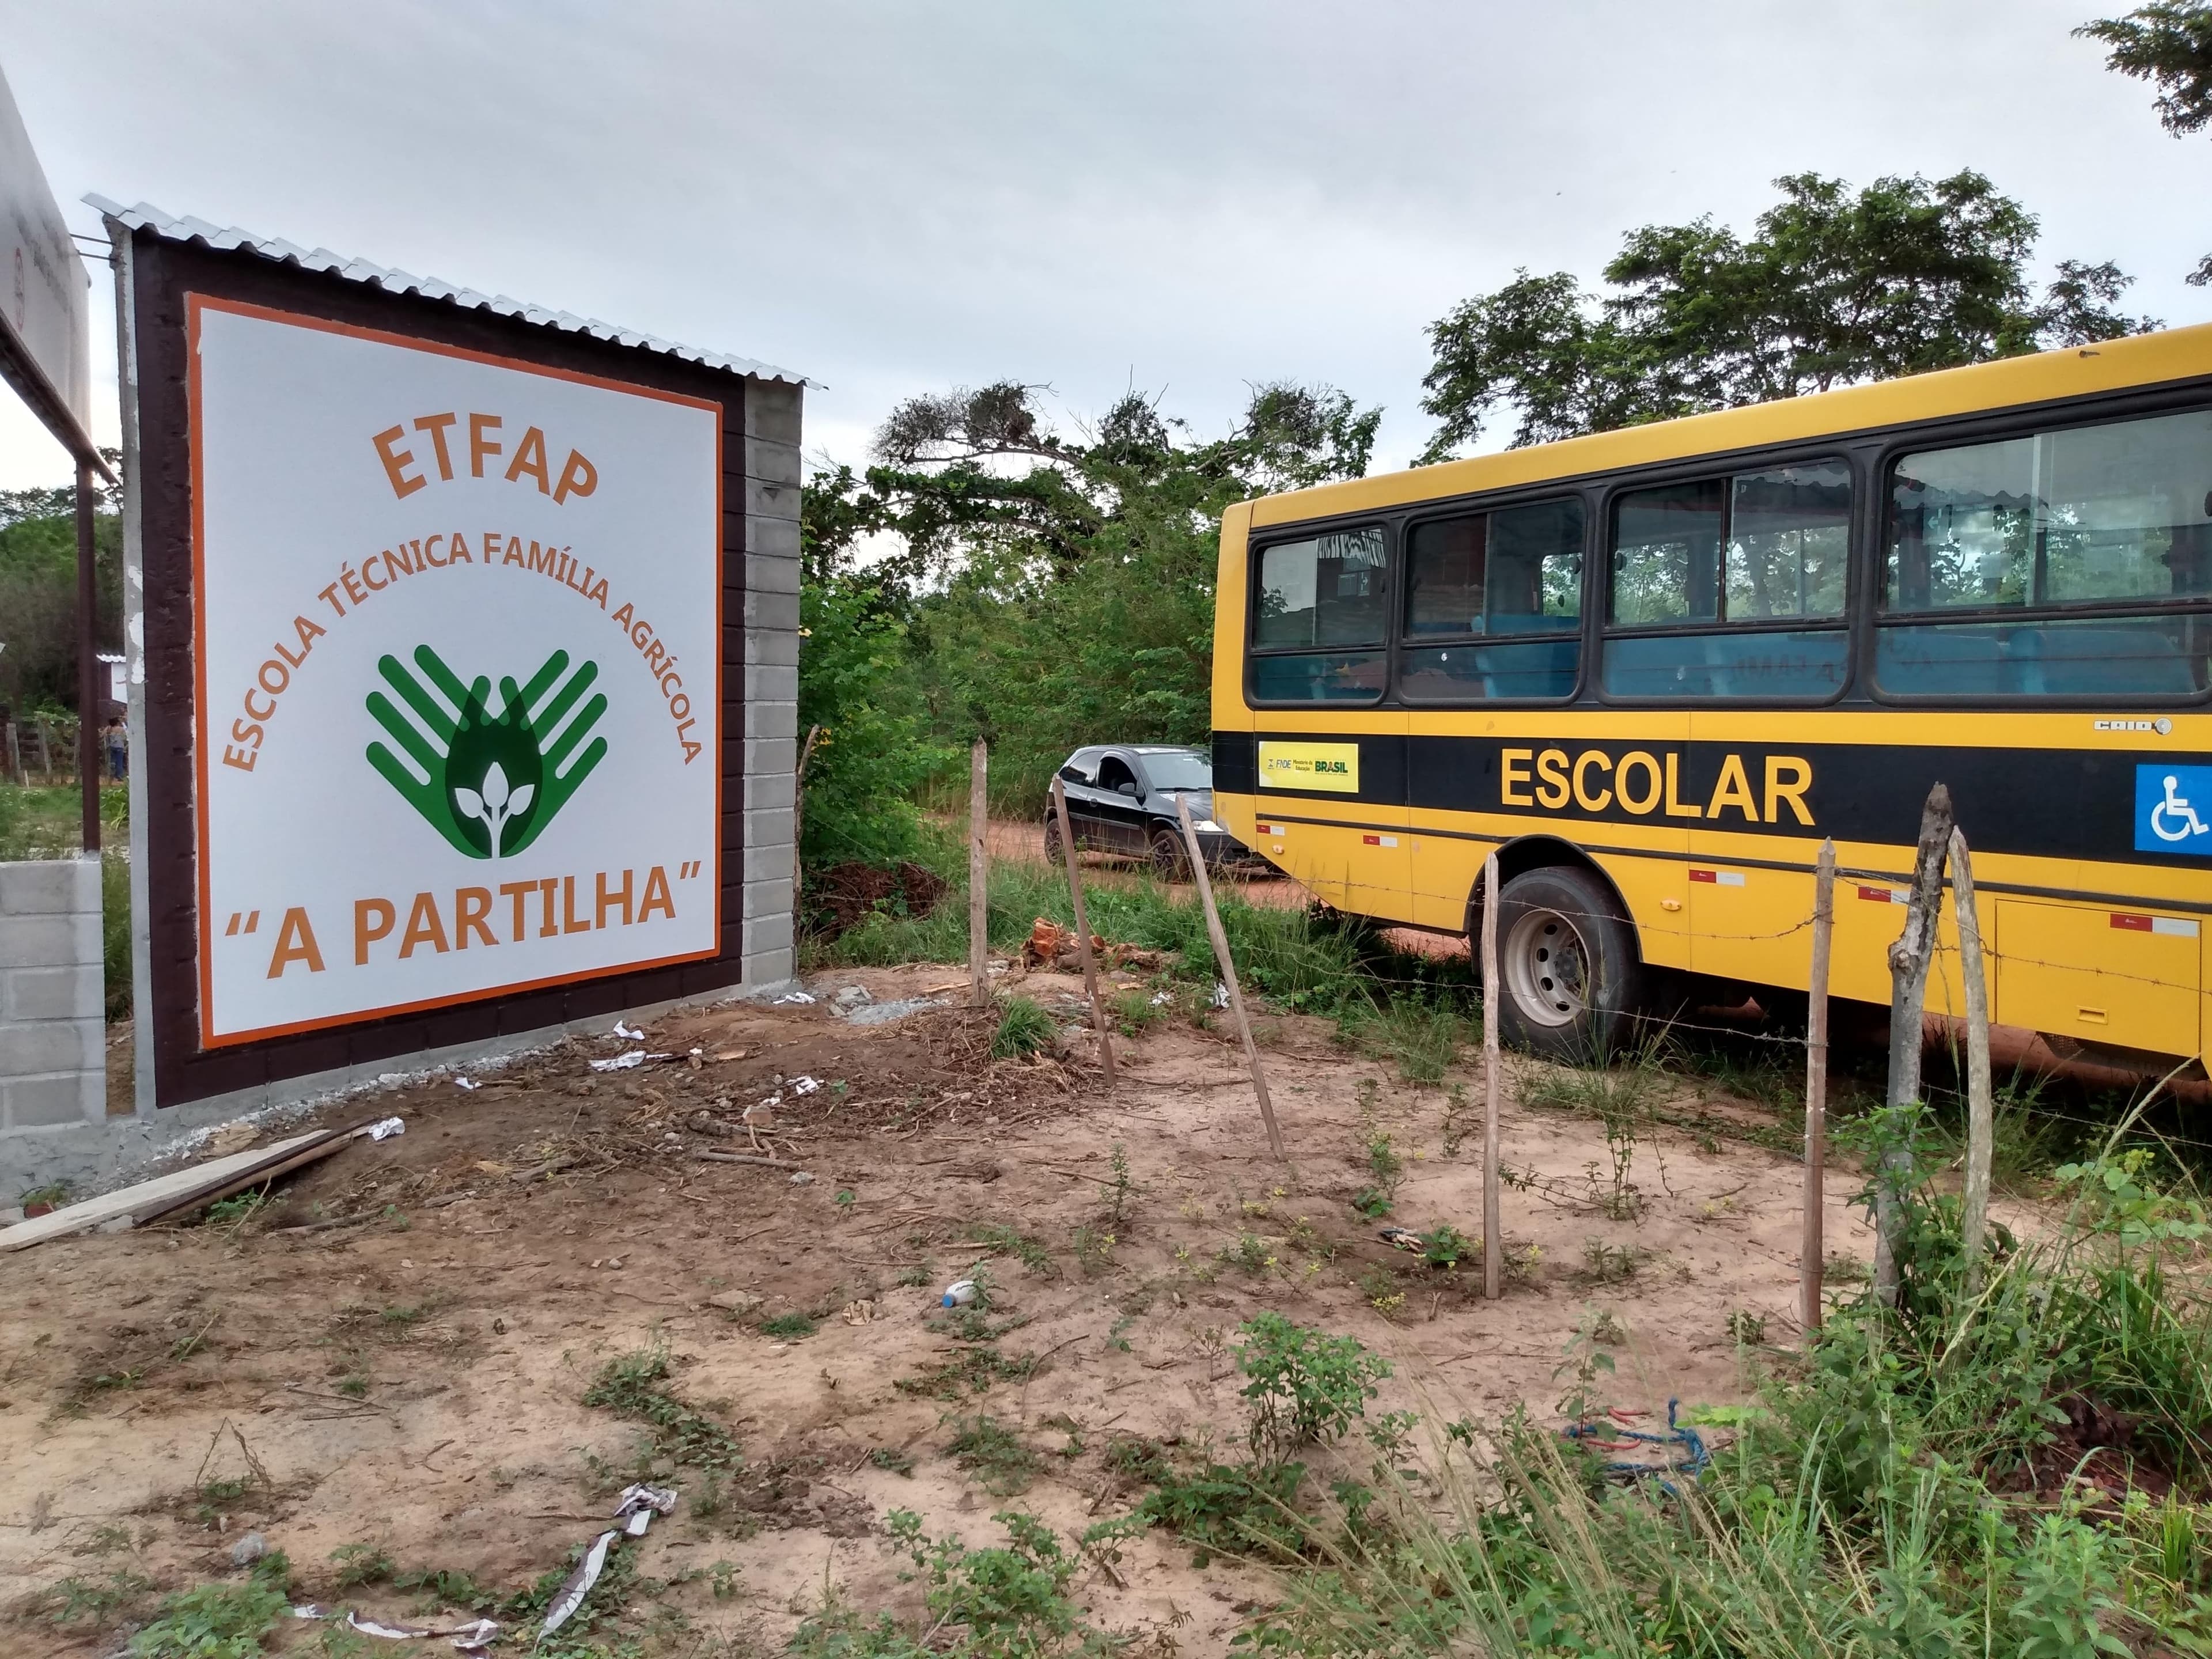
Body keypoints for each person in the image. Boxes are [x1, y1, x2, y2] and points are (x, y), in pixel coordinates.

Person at [104, 715, 127, 783]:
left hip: (112, 746)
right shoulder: (121, 729)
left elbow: (103, 735)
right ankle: (119, 776)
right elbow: (125, 737)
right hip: (120, 747)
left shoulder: (109, 728)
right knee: (119, 762)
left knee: (112, 762)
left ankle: (111, 775)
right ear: (117, 723)